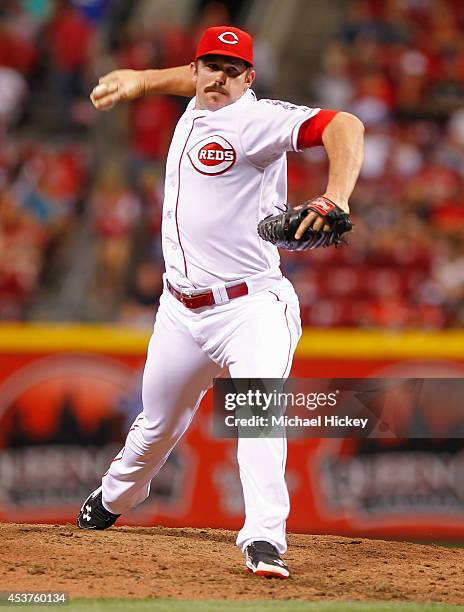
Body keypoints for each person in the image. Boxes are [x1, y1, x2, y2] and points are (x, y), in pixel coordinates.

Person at [77, 25, 364, 579]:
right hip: (181, 312)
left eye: (233, 70)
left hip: (250, 309)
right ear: (198, 68)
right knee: (155, 428)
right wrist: (138, 81)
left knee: (257, 412)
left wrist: (336, 195)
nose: (219, 77)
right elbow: (183, 77)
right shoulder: (198, 92)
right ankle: (112, 500)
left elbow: (344, 125)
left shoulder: (256, 120)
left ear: (249, 78)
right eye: (211, 65)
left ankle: (264, 539)